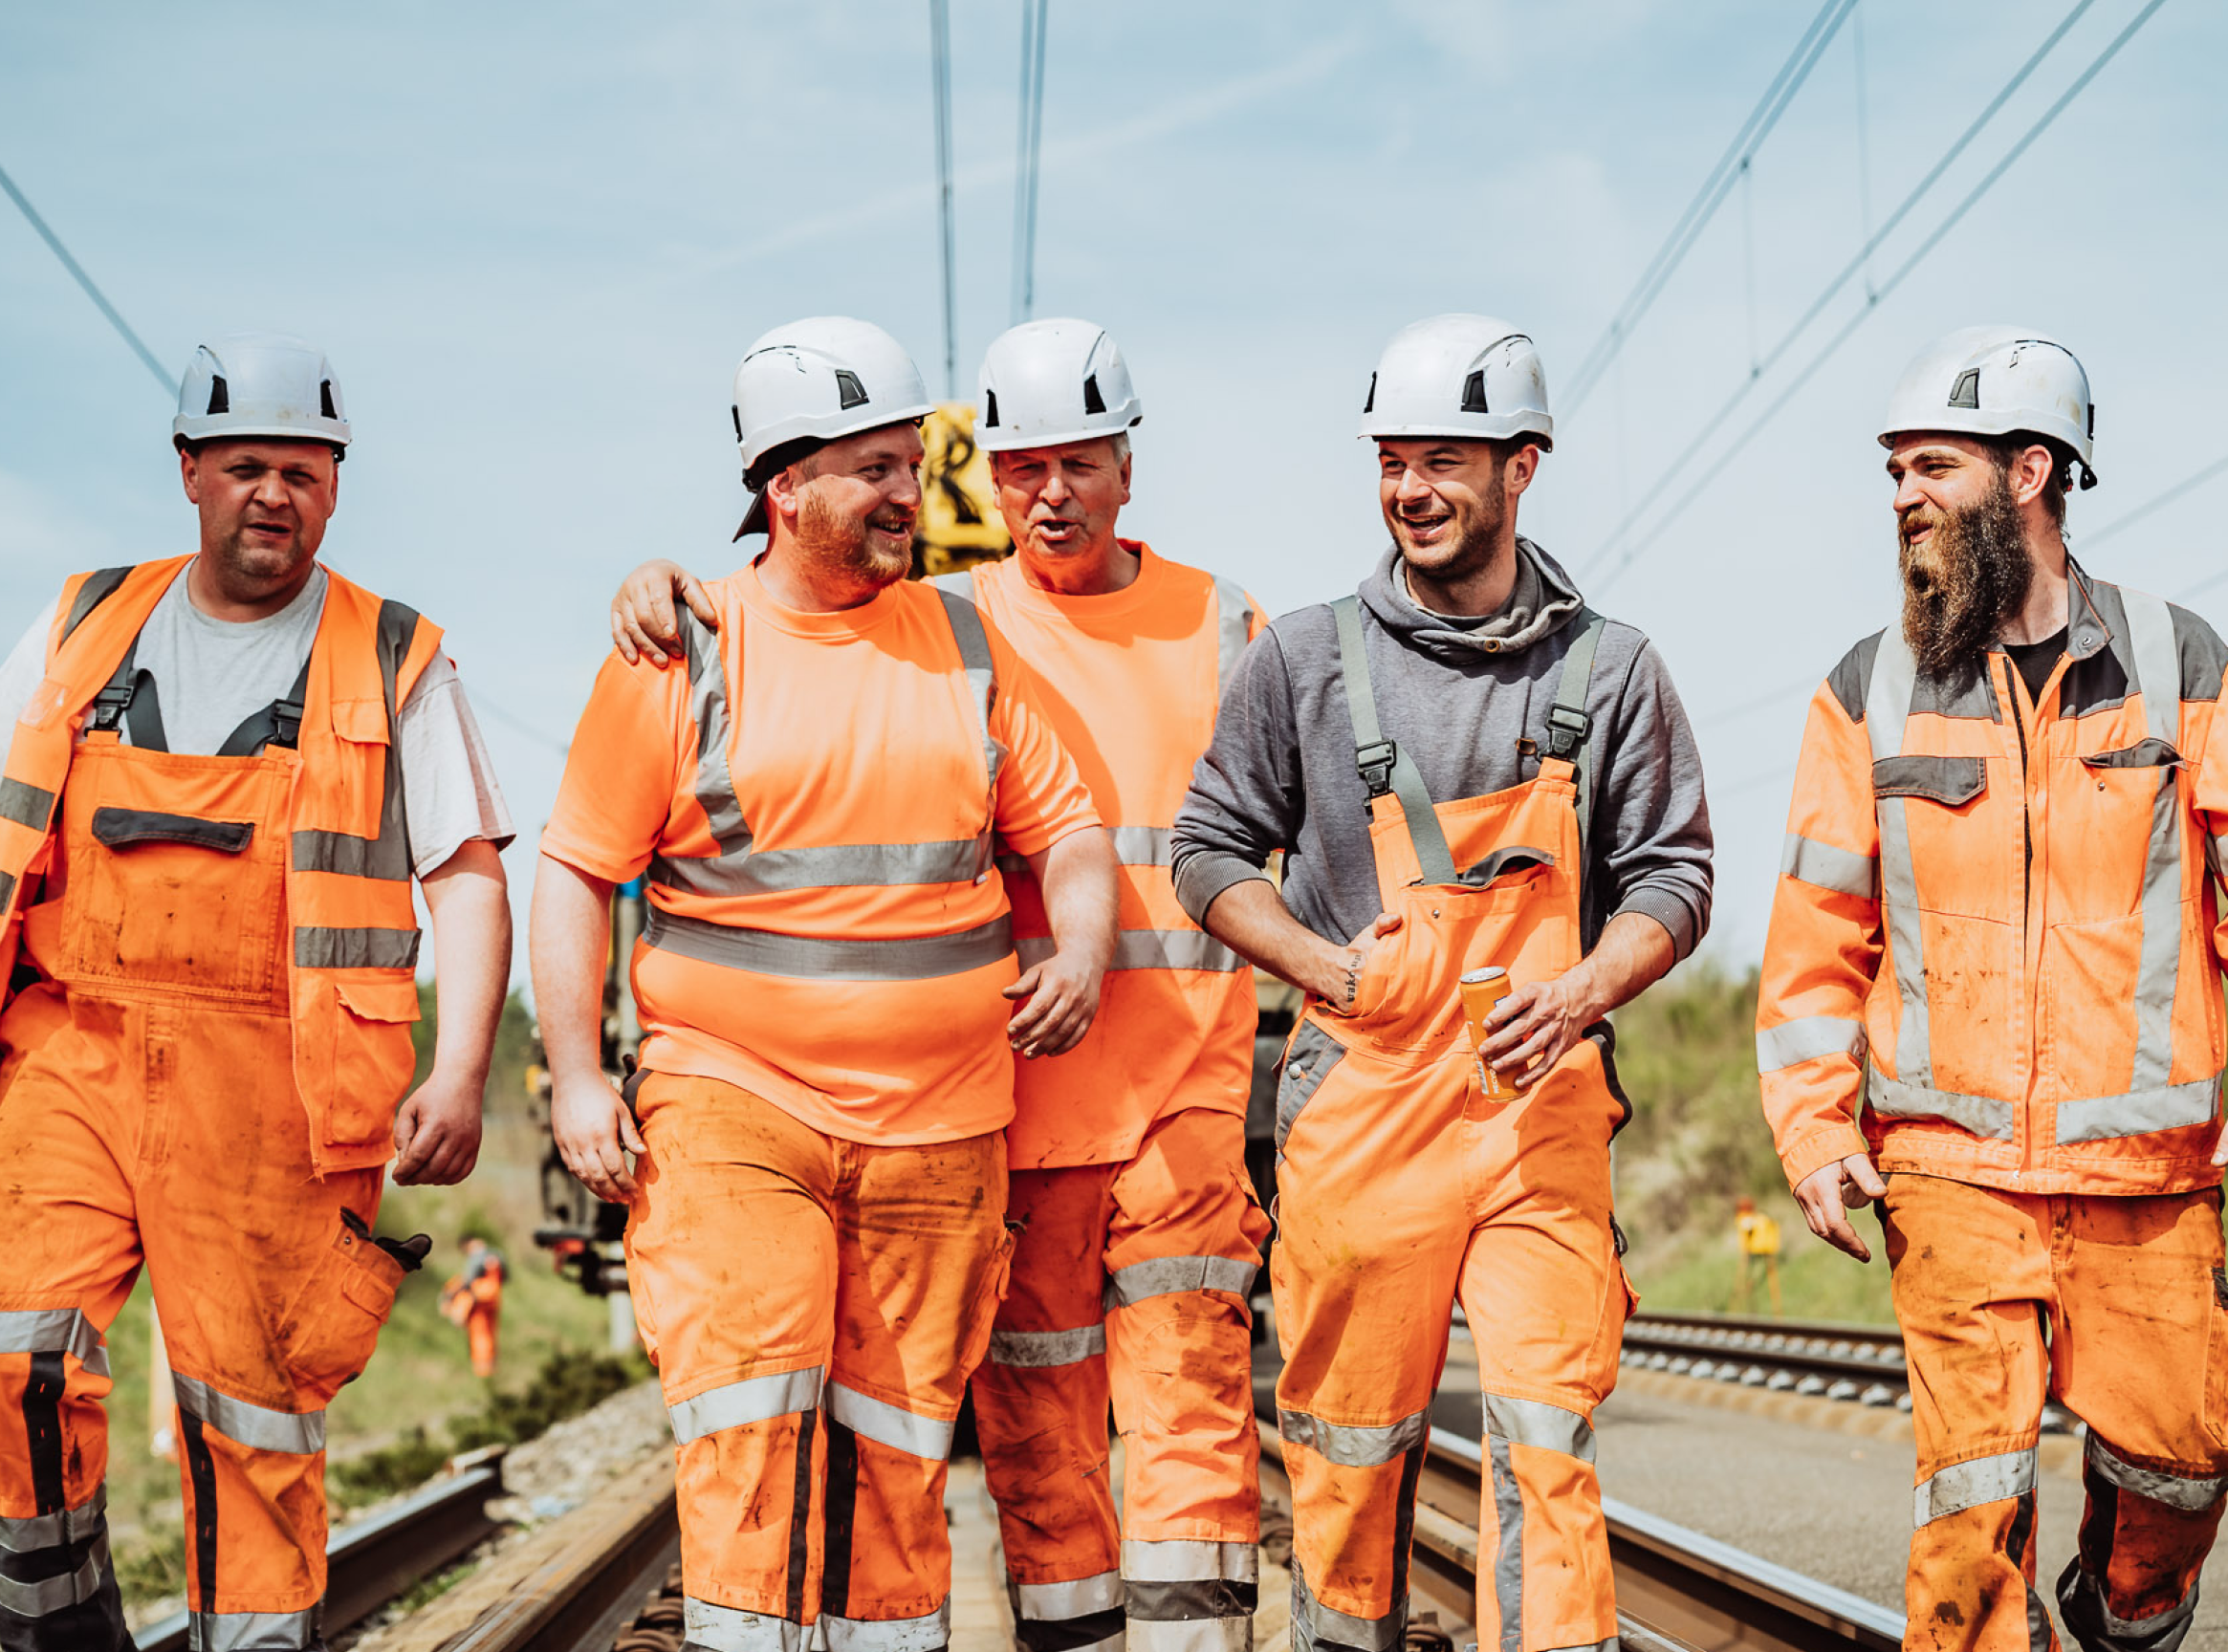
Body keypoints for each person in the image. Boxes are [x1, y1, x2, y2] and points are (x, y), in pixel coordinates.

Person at [608, 317, 1272, 1652]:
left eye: (1081, 461)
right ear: (992, 478)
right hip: (1014, 1102)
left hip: (1185, 1082)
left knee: (1195, 1395)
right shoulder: (948, 625)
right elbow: (797, 612)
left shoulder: (1225, 624)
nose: (1054, 492)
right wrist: (660, 581)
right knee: (1035, 1419)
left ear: (1128, 468)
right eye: (1024, 467)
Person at [0, 333, 513, 1652]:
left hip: (279, 1084)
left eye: (303, 470)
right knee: (7, 1358)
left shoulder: (397, 657)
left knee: (251, 1420)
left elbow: (471, 879)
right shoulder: (84, 621)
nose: (274, 492)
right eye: (245, 466)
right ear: (189, 474)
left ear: (335, 487)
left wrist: (457, 1073)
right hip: (72, 1052)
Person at [533, 315, 1120, 1652]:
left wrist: (1079, 945)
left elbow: (1070, 832)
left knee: (900, 1462)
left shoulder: (967, 646)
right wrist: (575, 1075)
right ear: (783, 489)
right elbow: (573, 870)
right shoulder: (683, 651)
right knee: (748, 1431)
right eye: (872, 469)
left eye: (909, 462)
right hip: (734, 1108)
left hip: (942, 1125)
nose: (910, 493)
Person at [1756, 328, 2228, 1652]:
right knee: (1969, 1511)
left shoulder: (2174, 660)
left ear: (2031, 473)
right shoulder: (1870, 694)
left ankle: (2122, 1604)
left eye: (1934, 466)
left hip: (2147, 1173)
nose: (1903, 492)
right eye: (1895, 469)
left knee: (2181, 1470)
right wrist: (1812, 1123)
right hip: (1950, 1172)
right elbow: (1814, 933)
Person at [1170, 315, 1714, 1652]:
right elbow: (1205, 851)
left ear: (1523, 466)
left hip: (1538, 1117)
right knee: (1349, 1467)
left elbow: (1675, 881)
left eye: (1444, 463)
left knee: (1544, 1445)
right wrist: (1315, 963)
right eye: (1392, 461)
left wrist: (1588, 986)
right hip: (1362, 1114)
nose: (1410, 489)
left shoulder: (1614, 669)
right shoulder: (1303, 659)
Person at [440, 1236, 508, 1380]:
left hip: (479, 1299)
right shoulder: (497, 1255)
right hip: (494, 1298)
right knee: (490, 1332)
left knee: (479, 1334)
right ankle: (492, 1366)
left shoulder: (476, 1257)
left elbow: (469, 1279)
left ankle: (483, 1370)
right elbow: (506, 1276)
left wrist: (451, 1296)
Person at [1733, 1195, 1782, 1316]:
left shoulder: (1752, 1220)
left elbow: (1746, 1225)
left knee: (1750, 1278)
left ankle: (1734, 1313)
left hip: (1760, 1248)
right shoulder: (1761, 1219)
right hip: (1760, 1248)